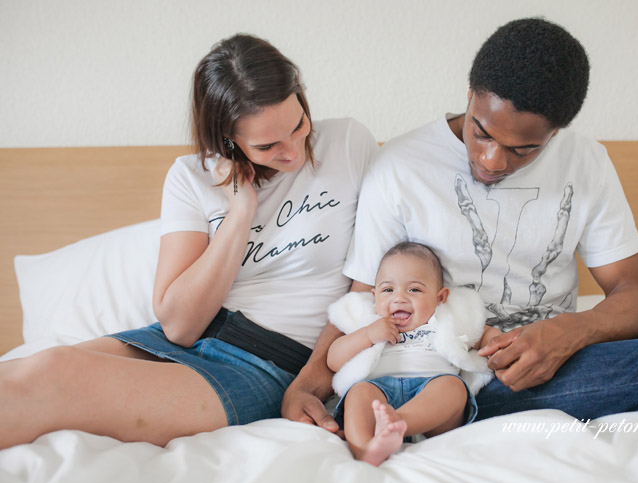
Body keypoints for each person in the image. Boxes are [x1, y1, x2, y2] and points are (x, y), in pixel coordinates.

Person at [340, 18, 638, 431]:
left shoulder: (586, 162)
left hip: (563, 358)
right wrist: (305, 387)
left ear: (556, 133)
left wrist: (570, 331)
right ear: (470, 95)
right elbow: (358, 303)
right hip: (460, 377)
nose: (492, 161)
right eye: (480, 132)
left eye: (524, 150)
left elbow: (635, 296)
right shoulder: (399, 166)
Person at [0, 33, 378, 449]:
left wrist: (310, 383)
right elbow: (179, 326)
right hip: (190, 339)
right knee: (33, 368)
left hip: (268, 365)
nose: (294, 152)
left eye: (299, 124)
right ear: (228, 140)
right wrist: (239, 215)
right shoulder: (191, 177)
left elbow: (365, 283)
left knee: (58, 378)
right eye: (267, 145)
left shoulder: (348, 144)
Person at [326, 242, 490, 466]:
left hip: (431, 392)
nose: (399, 298)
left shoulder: (444, 320)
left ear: (440, 298)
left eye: (414, 289)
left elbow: (481, 335)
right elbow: (334, 360)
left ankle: (399, 421)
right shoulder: (369, 322)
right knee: (359, 392)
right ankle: (366, 449)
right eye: (388, 290)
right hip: (380, 393)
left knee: (453, 388)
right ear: (374, 296)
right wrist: (368, 335)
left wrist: (499, 340)